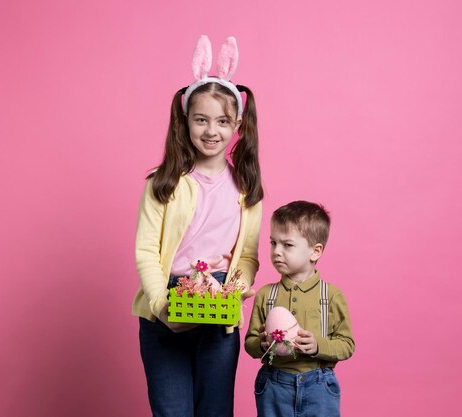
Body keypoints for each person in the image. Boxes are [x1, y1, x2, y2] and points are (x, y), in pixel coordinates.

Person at [133, 35, 263, 417]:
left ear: (237, 123)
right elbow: (146, 250)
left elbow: (249, 256)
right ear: (185, 120)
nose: (211, 131)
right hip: (167, 302)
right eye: (201, 119)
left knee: (215, 410)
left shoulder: (246, 187)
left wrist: (232, 294)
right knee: (172, 411)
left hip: (220, 308)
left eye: (222, 121)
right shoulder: (163, 182)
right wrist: (160, 306)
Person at [245, 201, 355, 417]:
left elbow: (347, 345)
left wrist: (317, 346)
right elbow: (250, 344)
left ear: (315, 252)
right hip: (275, 385)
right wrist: (263, 344)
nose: (276, 251)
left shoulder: (331, 296)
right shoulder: (266, 295)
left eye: (287, 245)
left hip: (318, 386)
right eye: (273, 242)